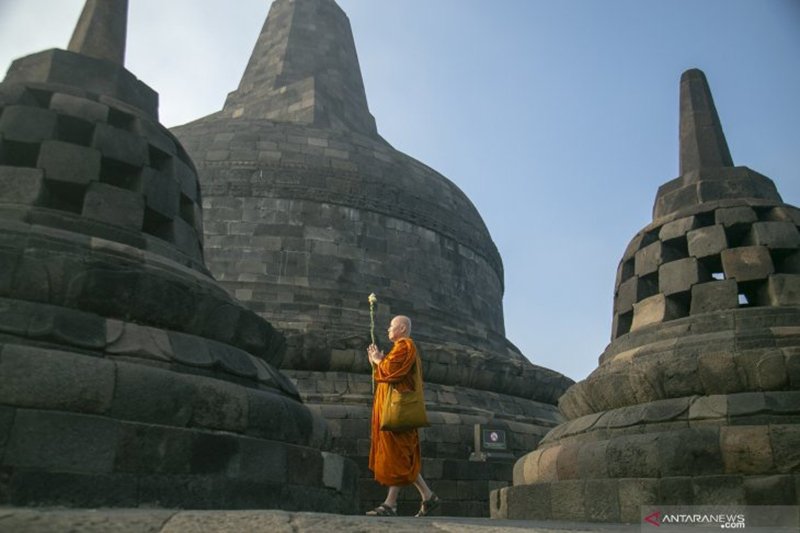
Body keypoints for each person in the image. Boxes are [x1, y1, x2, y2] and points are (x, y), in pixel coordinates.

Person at [365, 315, 440, 517]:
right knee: (402, 457)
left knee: (399, 455)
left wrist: (379, 360)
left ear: (403, 328)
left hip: (398, 414)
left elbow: (392, 372)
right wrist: (378, 362)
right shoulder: (399, 348)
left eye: (391, 326)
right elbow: (388, 374)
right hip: (392, 413)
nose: (388, 329)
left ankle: (391, 504)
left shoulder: (405, 346)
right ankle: (428, 496)